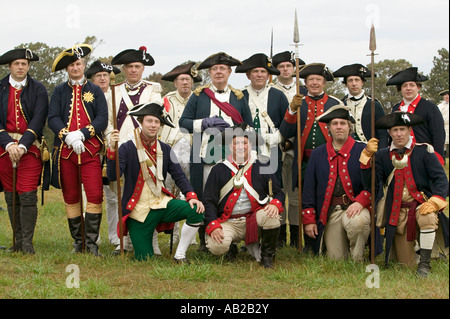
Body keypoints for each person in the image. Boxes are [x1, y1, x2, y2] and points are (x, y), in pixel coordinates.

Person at [107, 102, 205, 263]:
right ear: (141, 122)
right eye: (149, 121)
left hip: (162, 204)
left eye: (157, 122)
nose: (153, 125)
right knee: (145, 259)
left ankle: (180, 255)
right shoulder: (126, 148)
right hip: (138, 212)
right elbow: (112, 176)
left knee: (196, 210)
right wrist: (112, 149)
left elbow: (179, 176)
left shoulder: (166, 149)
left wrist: (191, 195)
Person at [179, 52, 253, 251]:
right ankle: (205, 239)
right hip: (204, 156)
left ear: (229, 72)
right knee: (205, 196)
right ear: (209, 73)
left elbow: (250, 128)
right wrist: (204, 123)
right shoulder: (198, 96)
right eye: (214, 69)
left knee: (230, 196)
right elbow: (183, 124)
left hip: (233, 159)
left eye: (223, 69)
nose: (218, 72)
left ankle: (231, 241)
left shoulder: (239, 97)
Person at [361, 111, 448, 277]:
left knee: (427, 215)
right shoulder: (381, 155)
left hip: (421, 205)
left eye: (402, 129)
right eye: (395, 130)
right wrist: (367, 159)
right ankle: (422, 251)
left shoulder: (424, 151)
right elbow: (371, 185)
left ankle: (425, 264)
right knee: (405, 264)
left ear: (409, 130)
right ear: (389, 133)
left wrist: (435, 201)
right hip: (398, 213)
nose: (399, 134)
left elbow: (441, 180)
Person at [48, 44, 108, 256]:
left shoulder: (95, 91)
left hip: (90, 150)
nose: (75, 67)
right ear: (67, 69)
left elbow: (102, 118)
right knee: (71, 196)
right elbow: (52, 118)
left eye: (79, 63)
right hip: (66, 152)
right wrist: (67, 136)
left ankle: (91, 243)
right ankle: (78, 242)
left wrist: (83, 134)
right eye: (72, 65)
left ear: (84, 65)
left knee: (94, 194)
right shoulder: (59, 91)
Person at [203, 123, 284, 268]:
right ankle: (230, 248)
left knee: (271, 216)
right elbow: (208, 201)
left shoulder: (262, 167)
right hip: (228, 222)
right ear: (229, 146)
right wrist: (213, 225)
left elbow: (278, 192)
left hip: (252, 220)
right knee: (217, 247)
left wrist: (275, 204)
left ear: (251, 145)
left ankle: (267, 255)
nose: (240, 147)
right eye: (236, 143)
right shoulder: (218, 169)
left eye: (244, 143)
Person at [279, 63, 340, 252]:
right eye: (311, 80)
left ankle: (325, 241)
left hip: (328, 161)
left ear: (324, 83)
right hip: (303, 162)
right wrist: (291, 110)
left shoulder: (334, 104)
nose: (314, 83)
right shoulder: (299, 102)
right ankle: (308, 243)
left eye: (318, 80)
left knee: (325, 200)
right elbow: (285, 131)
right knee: (307, 200)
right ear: (305, 82)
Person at [109, 46, 162, 254]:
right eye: (130, 67)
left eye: (137, 66)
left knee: (149, 195)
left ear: (143, 68)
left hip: (145, 148)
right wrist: (111, 142)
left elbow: (154, 119)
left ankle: (151, 240)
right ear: (123, 69)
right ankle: (122, 240)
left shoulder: (153, 89)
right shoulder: (114, 90)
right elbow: (110, 122)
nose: (133, 70)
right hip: (122, 148)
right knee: (121, 196)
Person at [302, 105, 373, 261]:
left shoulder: (363, 150)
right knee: (336, 259)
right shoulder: (317, 154)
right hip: (331, 211)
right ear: (329, 128)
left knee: (358, 223)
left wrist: (360, 202)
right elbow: (309, 189)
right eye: (335, 124)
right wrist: (309, 220)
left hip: (355, 207)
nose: (339, 127)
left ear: (350, 127)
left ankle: (358, 258)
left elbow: (373, 185)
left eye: (343, 123)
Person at [0, 48, 49, 254]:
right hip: (3, 148)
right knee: (11, 195)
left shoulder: (38, 89)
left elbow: (38, 120)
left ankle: (27, 243)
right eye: (17, 64)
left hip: (30, 148)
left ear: (28, 67)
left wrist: (22, 145)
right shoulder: (0, 87)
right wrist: (8, 144)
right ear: (10, 66)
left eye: (24, 64)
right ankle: (17, 241)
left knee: (27, 194)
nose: (21, 67)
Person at [160, 62, 202, 245]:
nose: (185, 83)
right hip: (171, 150)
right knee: (170, 193)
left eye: (188, 79)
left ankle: (189, 234)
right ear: (175, 83)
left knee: (191, 192)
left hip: (194, 150)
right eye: (181, 80)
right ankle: (173, 233)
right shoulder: (166, 101)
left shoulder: (199, 99)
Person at [270, 51, 308, 248]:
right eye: (281, 66)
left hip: (297, 149)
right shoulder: (269, 91)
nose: (285, 70)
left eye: (288, 66)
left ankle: (295, 237)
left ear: (294, 69)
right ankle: (277, 236)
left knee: (294, 195)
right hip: (275, 147)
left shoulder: (304, 89)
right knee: (277, 191)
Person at [85, 60, 122, 251]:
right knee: (90, 195)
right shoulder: (87, 96)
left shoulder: (116, 96)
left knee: (114, 196)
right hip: (92, 151)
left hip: (112, 150)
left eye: (105, 75)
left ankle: (115, 235)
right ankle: (92, 237)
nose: (102, 78)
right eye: (98, 75)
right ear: (92, 78)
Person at [387, 67, 445, 165]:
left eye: (412, 85)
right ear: (400, 88)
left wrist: (437, 160)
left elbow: (438, 136)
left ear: (418, 87)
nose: (408, 88)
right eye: (405, 85)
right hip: (401, 159)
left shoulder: (430, 107)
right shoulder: (396, 109)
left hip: (425, 157)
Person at [333, 63, 389, 149]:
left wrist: (380, 154)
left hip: (369, 152)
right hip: (345, 151)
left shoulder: (374, 105)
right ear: (346, 84)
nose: (354, 84)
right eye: (350, 80)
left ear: (362, 82)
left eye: (357, 80)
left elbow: (382, 134)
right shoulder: (341, 105)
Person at [437, 89, 449, 157]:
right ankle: (443, 158)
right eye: (445, 95)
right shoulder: (440, 106)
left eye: (448, 95)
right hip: (443, 126)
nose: (447, 96)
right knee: (443, 142)